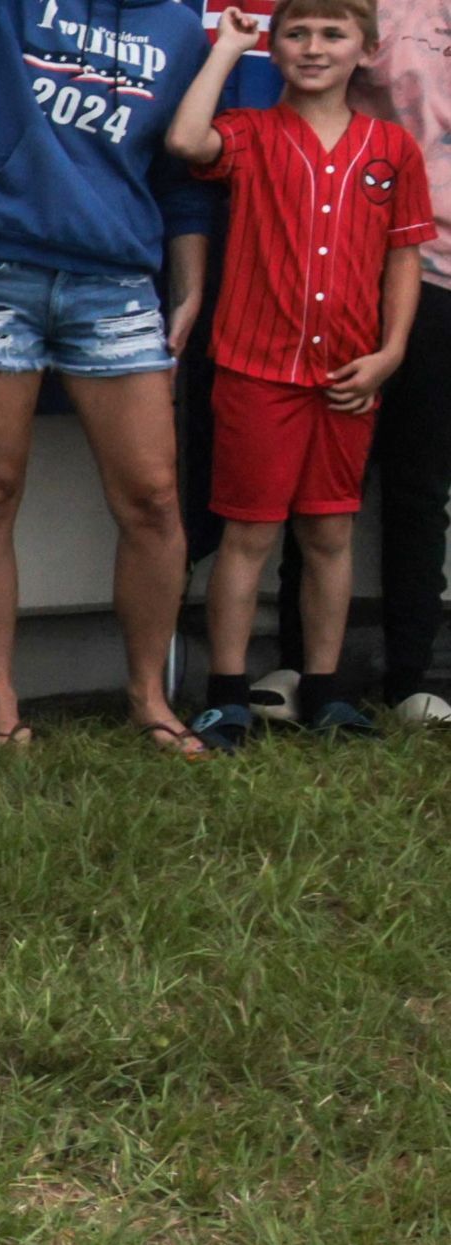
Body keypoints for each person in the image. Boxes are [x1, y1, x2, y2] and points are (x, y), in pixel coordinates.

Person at [0, 0, 220, 752]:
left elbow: (182, 177)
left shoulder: (182, 30)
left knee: (154, 498)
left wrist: (189, 290)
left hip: (117, 282)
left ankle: (149, 698)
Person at [170, 0, 433, 744]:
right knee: (249, 535)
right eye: (298, 34)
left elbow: (403, 257)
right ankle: (225, 691)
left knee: (329, 534)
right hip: (258, 370)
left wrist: (390, 352)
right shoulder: (252, 135)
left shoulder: (391, 149)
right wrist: (227, 50)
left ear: (366, 50)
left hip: (349, 375)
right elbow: (188, 138)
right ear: (277, 47)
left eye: (333, 34)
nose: (314, 48)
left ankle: (325, 690)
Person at [368, 0, 451, 722]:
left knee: (424, 484)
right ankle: (311, 666)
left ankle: (412, 677)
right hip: (383, 265)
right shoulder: (378, 9)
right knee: (331, 473)